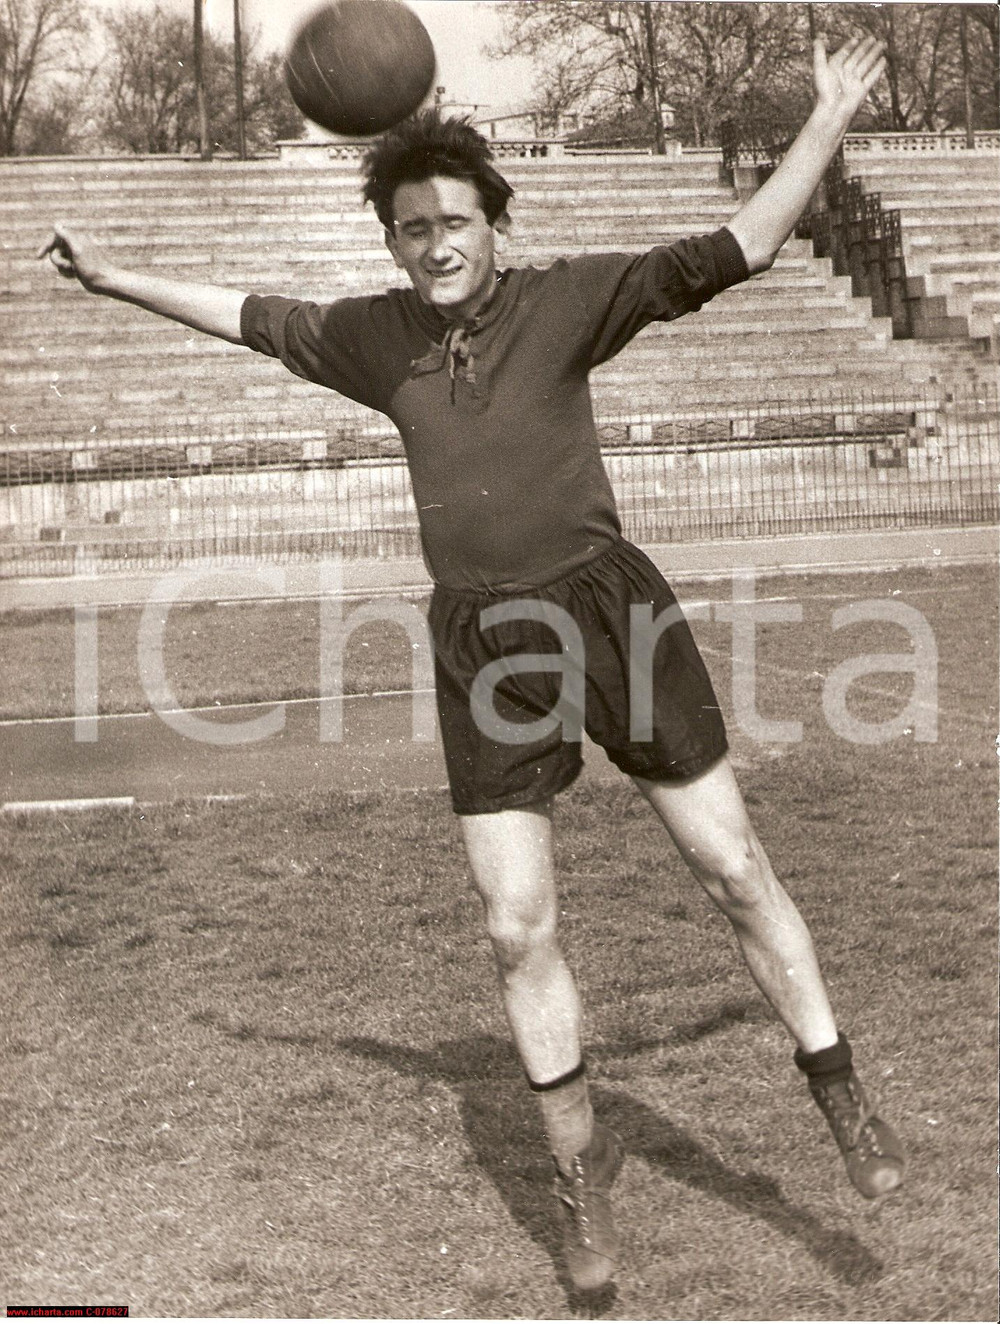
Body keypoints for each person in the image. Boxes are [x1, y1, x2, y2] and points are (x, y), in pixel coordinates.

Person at [39, 35, 903, 1293]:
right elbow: (248, 319)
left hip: (612, 617)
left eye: (451, 221)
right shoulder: (375, 338)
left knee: (730, 867)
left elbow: (742, 249)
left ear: (496, 223)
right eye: (407, 228)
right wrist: (114, 278)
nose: (432, 243)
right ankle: (577, 1173)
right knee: (514, 926)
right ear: (390, 244)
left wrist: (824, 119)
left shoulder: (570, 301)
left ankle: (837, 1089)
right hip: (483, 641)